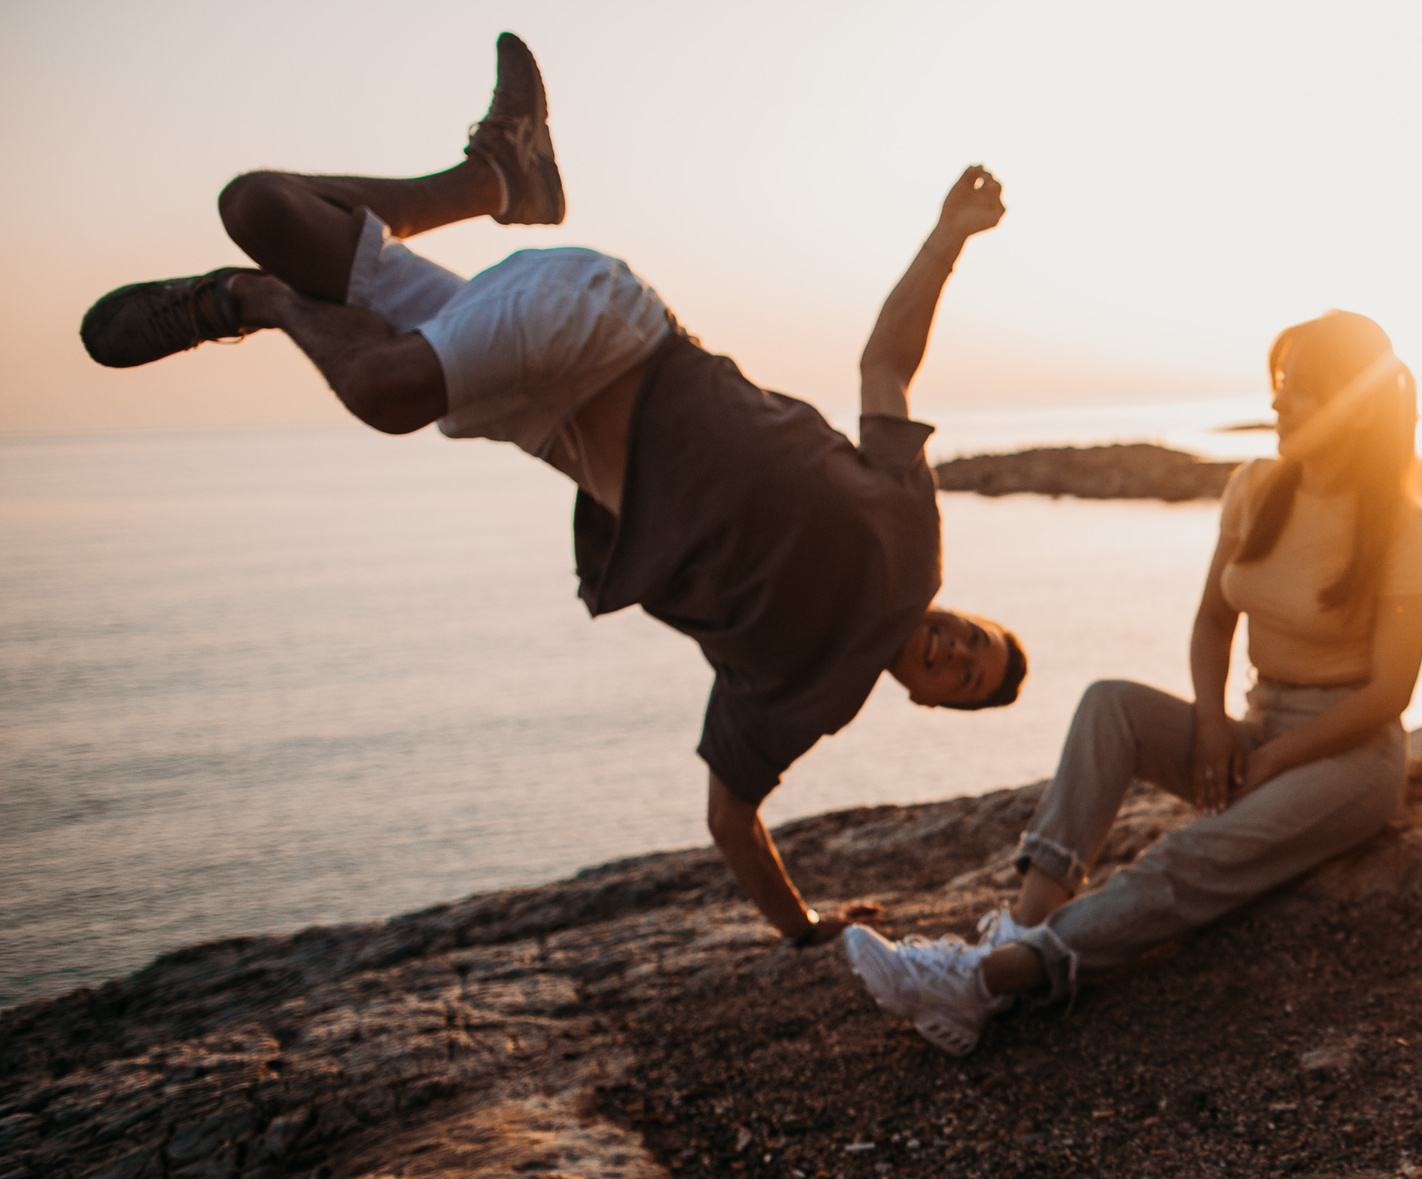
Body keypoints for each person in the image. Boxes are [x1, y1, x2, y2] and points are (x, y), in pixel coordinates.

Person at [77, 35, 1026, 951]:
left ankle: (494, 180)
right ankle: (259, 301)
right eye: (975, 640)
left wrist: (807, 930)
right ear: (968, 614)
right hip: (612, 335)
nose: (953, 652)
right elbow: (885, 363)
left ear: (931, 704)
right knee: (381, 387)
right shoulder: (912, 536)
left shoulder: (796, 702)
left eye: (961, 677)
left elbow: (731, 822)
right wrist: (947, 237)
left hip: (539, 415)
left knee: (261, 206)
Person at [841, 311, 1422, 1054]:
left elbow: (1391, 692)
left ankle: (990, 978)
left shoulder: (1402, 525)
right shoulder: (1256, 486)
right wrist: (1215, 724)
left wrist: (1278, 759)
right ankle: (1026, 919)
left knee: (1189, 854)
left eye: (1304, 390)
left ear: (1357, 403)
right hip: (1256, 724)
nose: (1279, 404)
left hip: (1351, 758)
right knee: (1108, 705)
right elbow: (1214, 622)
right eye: (1280, 386)